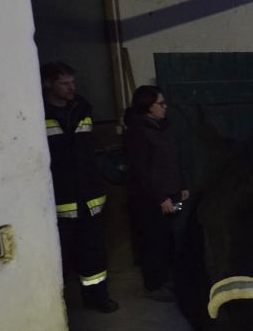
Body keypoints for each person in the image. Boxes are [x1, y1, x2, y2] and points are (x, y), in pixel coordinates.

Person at [41, 61, 119, 313]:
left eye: (72, 82)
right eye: (64, 83)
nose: (71, 87)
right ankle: (59, 309)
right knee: (60, 257)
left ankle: (97, 296)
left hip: (89, 195)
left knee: (93, 251)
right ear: (48, 84)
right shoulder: (37, 112)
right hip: (60, 198)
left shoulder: (82, 109)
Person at [124, 85, 188, 302]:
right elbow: (142, 171)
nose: (165, 107)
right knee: (153, 240)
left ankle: (166, 278)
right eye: (160, 103)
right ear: (148, 107)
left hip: (172, 194)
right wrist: (161, 197)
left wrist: (182, 186)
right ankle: (153, 285)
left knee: (168, 238)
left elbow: (173, 159)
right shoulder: (138, 133)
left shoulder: (164, 127)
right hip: (151, 200)